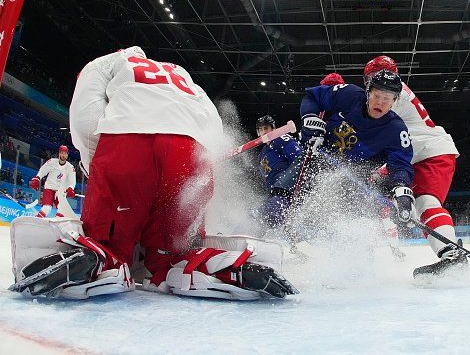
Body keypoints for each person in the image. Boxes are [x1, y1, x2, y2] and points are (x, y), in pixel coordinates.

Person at [10, 46, 297, 300]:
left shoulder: (108, 63)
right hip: (190, 149)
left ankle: (104, 260)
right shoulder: (179, 73)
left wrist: (94, 161)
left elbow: (85, 113)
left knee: (109, 240)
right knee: (173, 252)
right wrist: (202, 160)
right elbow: (210, 117)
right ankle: (210, 266)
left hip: (127, 142)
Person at [363, 55, 464, 279]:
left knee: (426, 202)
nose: (373, 82)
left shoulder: (390, 94)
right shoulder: (395, 92)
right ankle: (450, 252)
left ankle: (453, 256)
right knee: (421, 206)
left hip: (429, 153)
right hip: (421, 154)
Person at [294, 69, 415, 228]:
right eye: (377, 96)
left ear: (394, 101)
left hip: (352, 177)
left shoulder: (396, 130)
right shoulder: (348, 94)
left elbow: (401, 164)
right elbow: (313, 97)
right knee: (285, 193)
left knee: (350, 217)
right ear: (368, 92)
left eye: (387, 99)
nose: (380, 102)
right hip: (317, 155)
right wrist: (309, 118)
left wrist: (401, 187)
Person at [256, 115, 302, 227]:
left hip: (287, 192)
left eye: (266, 128)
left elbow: (300, 159)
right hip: (275, 194)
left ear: (273, 128)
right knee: (255, 215)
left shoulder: (280, 139)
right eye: (260, 130)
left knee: (268, 213)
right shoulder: (262, 154)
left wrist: (296, 189)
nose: (263, 132)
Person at [29, 145, 76, 218]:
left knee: (62, 210)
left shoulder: (70, 167)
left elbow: (72, 181)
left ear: (67, 155)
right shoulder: (52, 162)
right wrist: (37, 178)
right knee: (46, 208)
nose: (63, 155)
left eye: (65, 153)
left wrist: (71, 188)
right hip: (49, 188)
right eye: (62, 153)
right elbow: (43, 171)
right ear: (59, 153)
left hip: (60, 191)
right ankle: (37, 221)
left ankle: (57, 226)